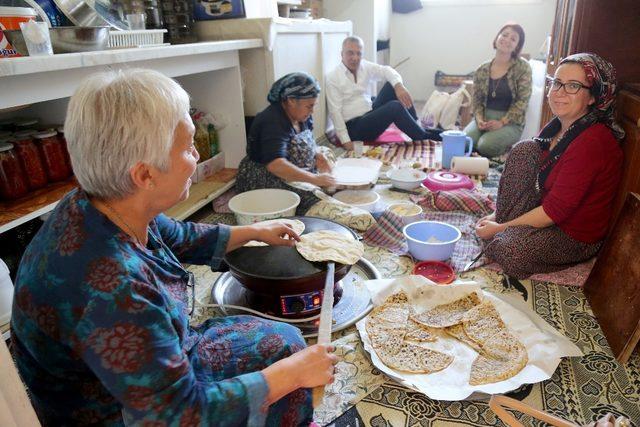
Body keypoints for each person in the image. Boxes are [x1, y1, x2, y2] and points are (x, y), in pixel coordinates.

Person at [10, 69, 338, 426]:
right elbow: (178, 415)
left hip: (142, 371)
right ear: (145, 175)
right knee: (289, 365)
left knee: (286, 340)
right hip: (117, 411)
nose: (197, 156)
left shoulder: (102, 202)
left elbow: (177, 236)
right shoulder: (114, 290)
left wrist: (253, 231)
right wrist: (292, 374)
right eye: (189, 146)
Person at [476, 53, 624, 279]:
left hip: (572, 235)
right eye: (557, 83)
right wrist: (499, 216)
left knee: (512, 250)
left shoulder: (592, 142)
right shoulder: (558, 127)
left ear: (593, 97)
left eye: (573, 86)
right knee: (524, 150)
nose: (559, 92)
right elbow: (536, 186)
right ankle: (505, 225)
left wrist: (499, 229)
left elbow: (554, 212)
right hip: (547, 209)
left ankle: (505, 234)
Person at [236, 72, 336, 214]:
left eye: (314, 105)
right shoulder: (271, 121)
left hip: (292, 164)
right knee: (317, 199)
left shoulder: (302, 116)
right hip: (269, 175)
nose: (312, 111)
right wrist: (314, 179)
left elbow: (309, 141)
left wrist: (317, 155)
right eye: (309, 106)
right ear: (291, 101)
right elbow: (275, 165)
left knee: (326, 152)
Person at [326, 36, 441, 150]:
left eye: (359, 53)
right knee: (394, 107)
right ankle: (423, 137)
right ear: (342, 54)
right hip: (355, 129)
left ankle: (416, 126)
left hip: (368, 113)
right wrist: (346, 142)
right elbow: (335, 113)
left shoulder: (364, 66)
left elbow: (386, 70)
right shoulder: (333, 77)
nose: (355, 58)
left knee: (393, 85)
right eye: (350, 53)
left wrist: (398, 86)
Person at [464, 23, 532, 158]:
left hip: (510, 122)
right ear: (497, 38)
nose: (507, 39)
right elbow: (476, 101)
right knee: (465, 142)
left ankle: (492, 151)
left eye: (513, 39)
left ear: (517, 46)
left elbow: (522, 102)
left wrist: (501, 122)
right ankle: (478, 151)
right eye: (504, 35)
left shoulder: (523, 68)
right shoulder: (482, 69)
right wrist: (479, 119)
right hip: (485, 118)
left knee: (485, 145)